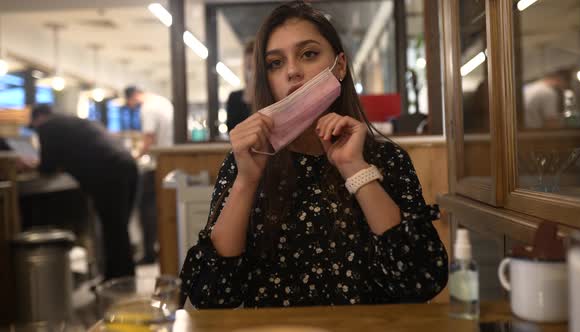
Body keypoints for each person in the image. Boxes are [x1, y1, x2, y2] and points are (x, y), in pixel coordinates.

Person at [180, 1, 448, 308]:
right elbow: (211, 296)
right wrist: (245, 182)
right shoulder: (245, 163)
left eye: (308, 54)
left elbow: (421, 280)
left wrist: (354, 167)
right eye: (275, 64)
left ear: (341, 65)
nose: (293, 72)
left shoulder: (387, 160)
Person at [26, 104, 137, 280]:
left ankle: (117, 279)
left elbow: (47, 166)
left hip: (108, 171)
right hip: (127, 164)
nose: (35, 129)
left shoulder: (47, 126)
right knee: (118, 227)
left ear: (38, 118)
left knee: (113, 228)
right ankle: (123, 276)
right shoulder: (73, 121)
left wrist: (30, 164)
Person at [124, 86, 174, 264]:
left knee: (146, 211)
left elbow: (148, 141)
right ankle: (161, 249)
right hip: (168, 163)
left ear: (133, 97)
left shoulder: (148, 108)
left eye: (130, 104)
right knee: (161, 208)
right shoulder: (162, 102)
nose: (132, 107)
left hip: (156, 165)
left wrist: (132, 157)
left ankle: (148, 254)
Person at [226, 39, 255, 132]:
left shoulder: (268, 96)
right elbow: (231, 129)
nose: (251, 73)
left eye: (254, 67)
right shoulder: (234, 97)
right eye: (249, 67)